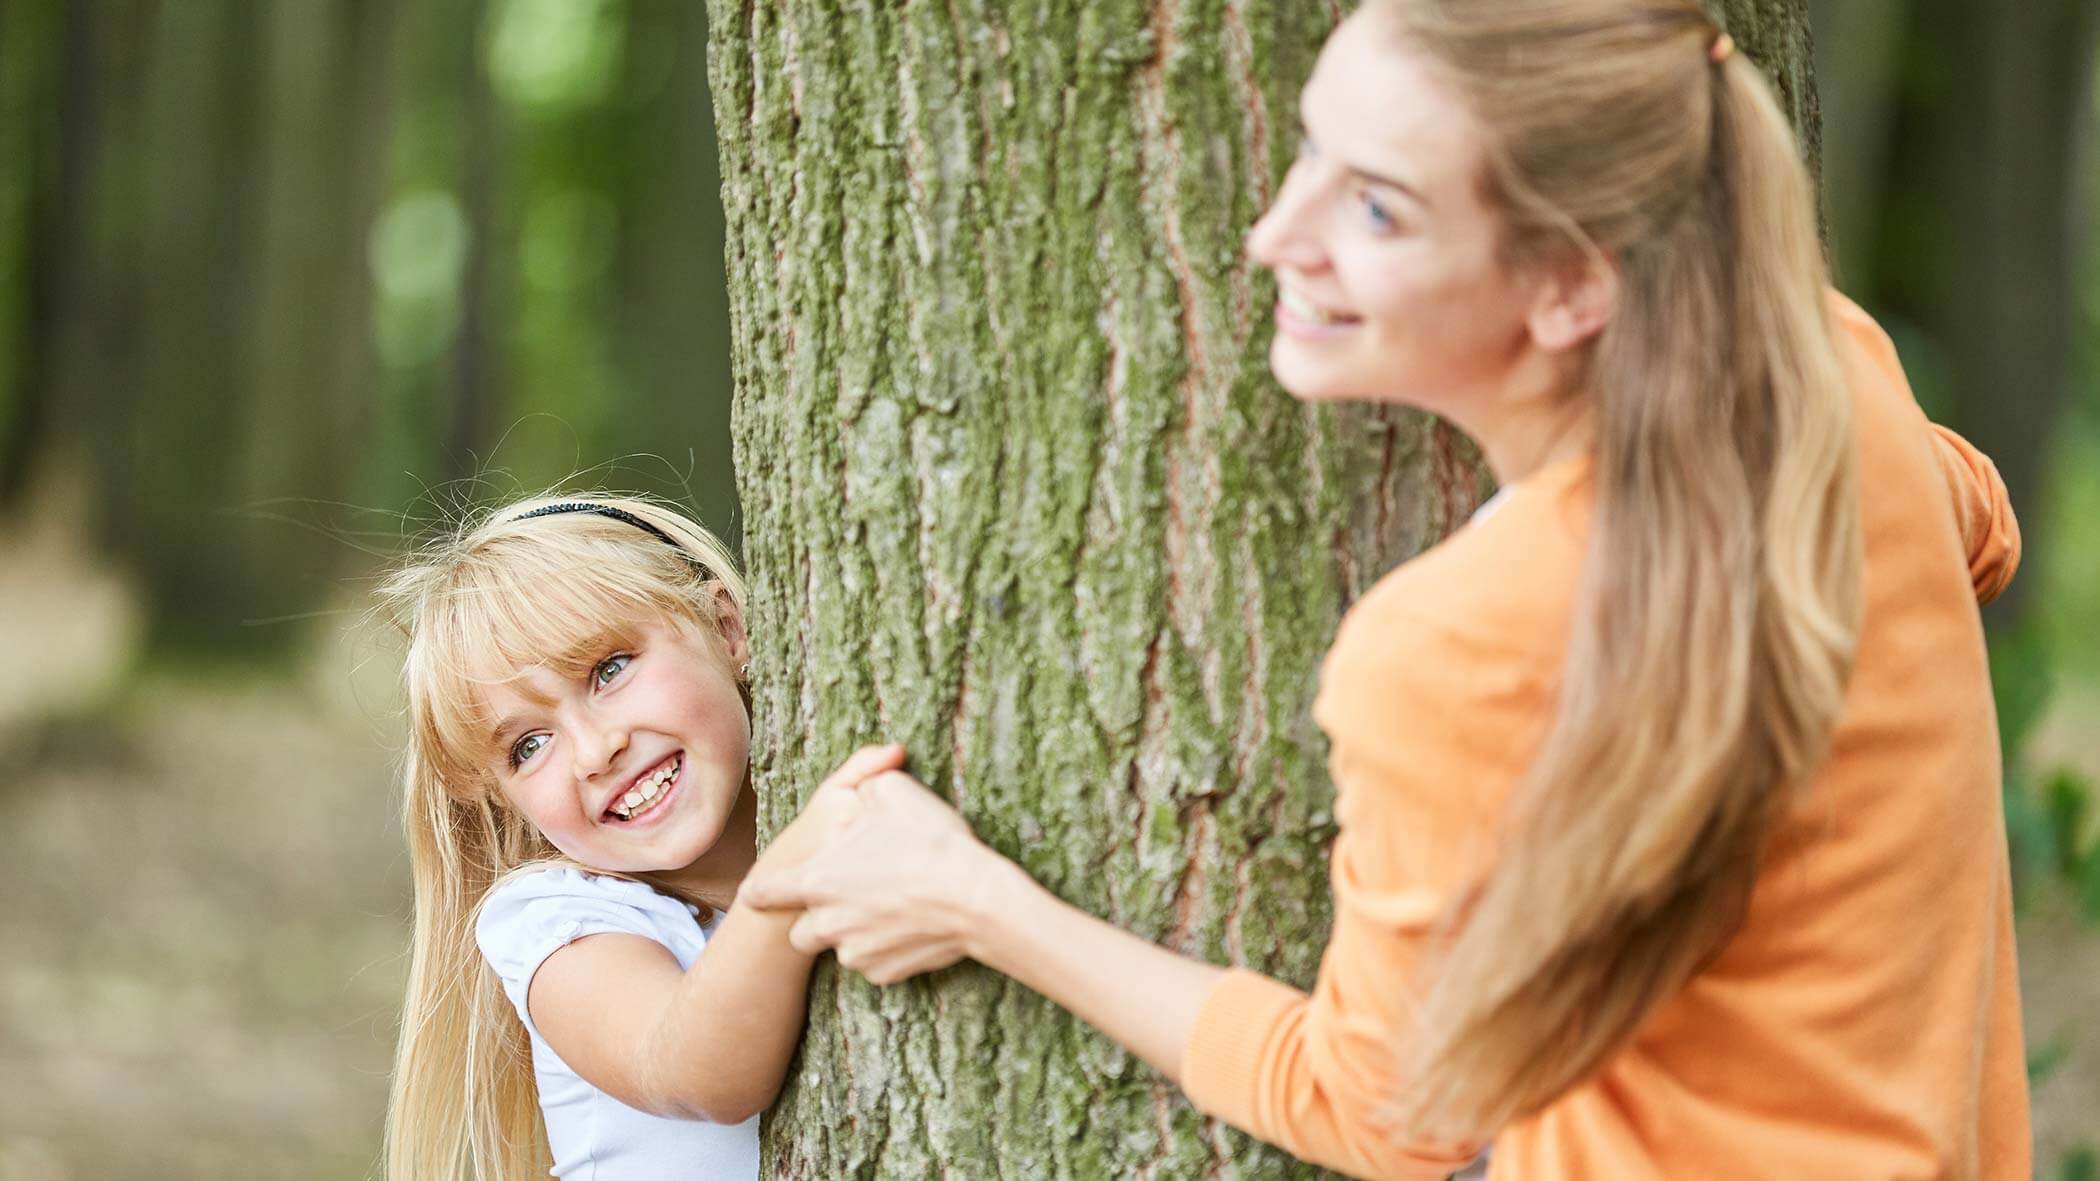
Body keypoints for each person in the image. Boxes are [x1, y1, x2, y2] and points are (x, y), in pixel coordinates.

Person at [741, 1, 2031, 1177]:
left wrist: (978, 900)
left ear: (1576, 283)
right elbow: (1981, 530)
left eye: (1376, 209)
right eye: (1309, 149)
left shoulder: (1453, 640)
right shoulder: (1835, 375)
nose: (1270, 235)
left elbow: (1389, 1112)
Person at [377, 493, 902, 1178]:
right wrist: (797, 868)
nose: (596, 751)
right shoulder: (561, 924)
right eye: (531, 744)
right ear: (503, 797)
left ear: (727, 627)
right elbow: (693, 1070)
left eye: (610, 669)